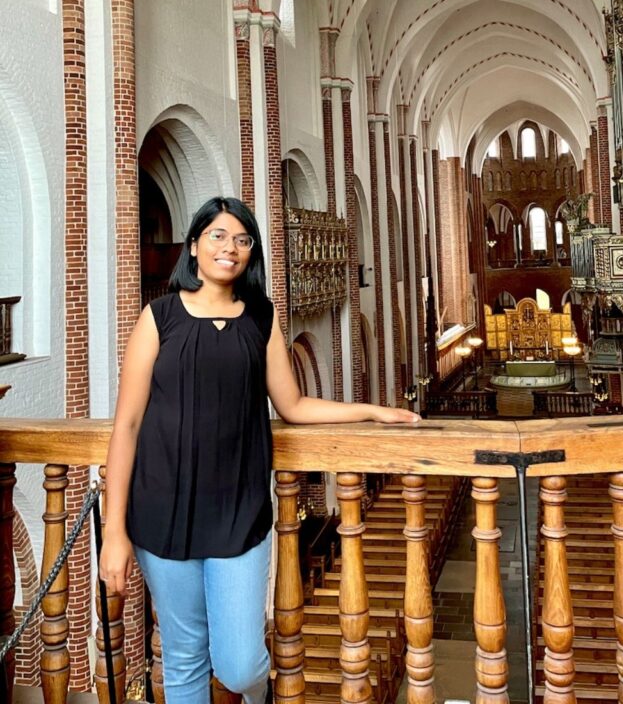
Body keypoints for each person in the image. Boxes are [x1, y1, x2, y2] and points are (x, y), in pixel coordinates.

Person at [99, 196, 418, 704]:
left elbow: (292, 404)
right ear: (195, 245)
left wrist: (372, 411)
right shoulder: (159, 318)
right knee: (182, 658)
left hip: (238, 513)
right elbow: (127, 425)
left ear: (252, 252)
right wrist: (114, 532)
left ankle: (257, 695)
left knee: (241, 662)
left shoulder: (261, 318)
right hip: (162, 511)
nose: (231, 247)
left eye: (243, 239)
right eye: (219, 236)